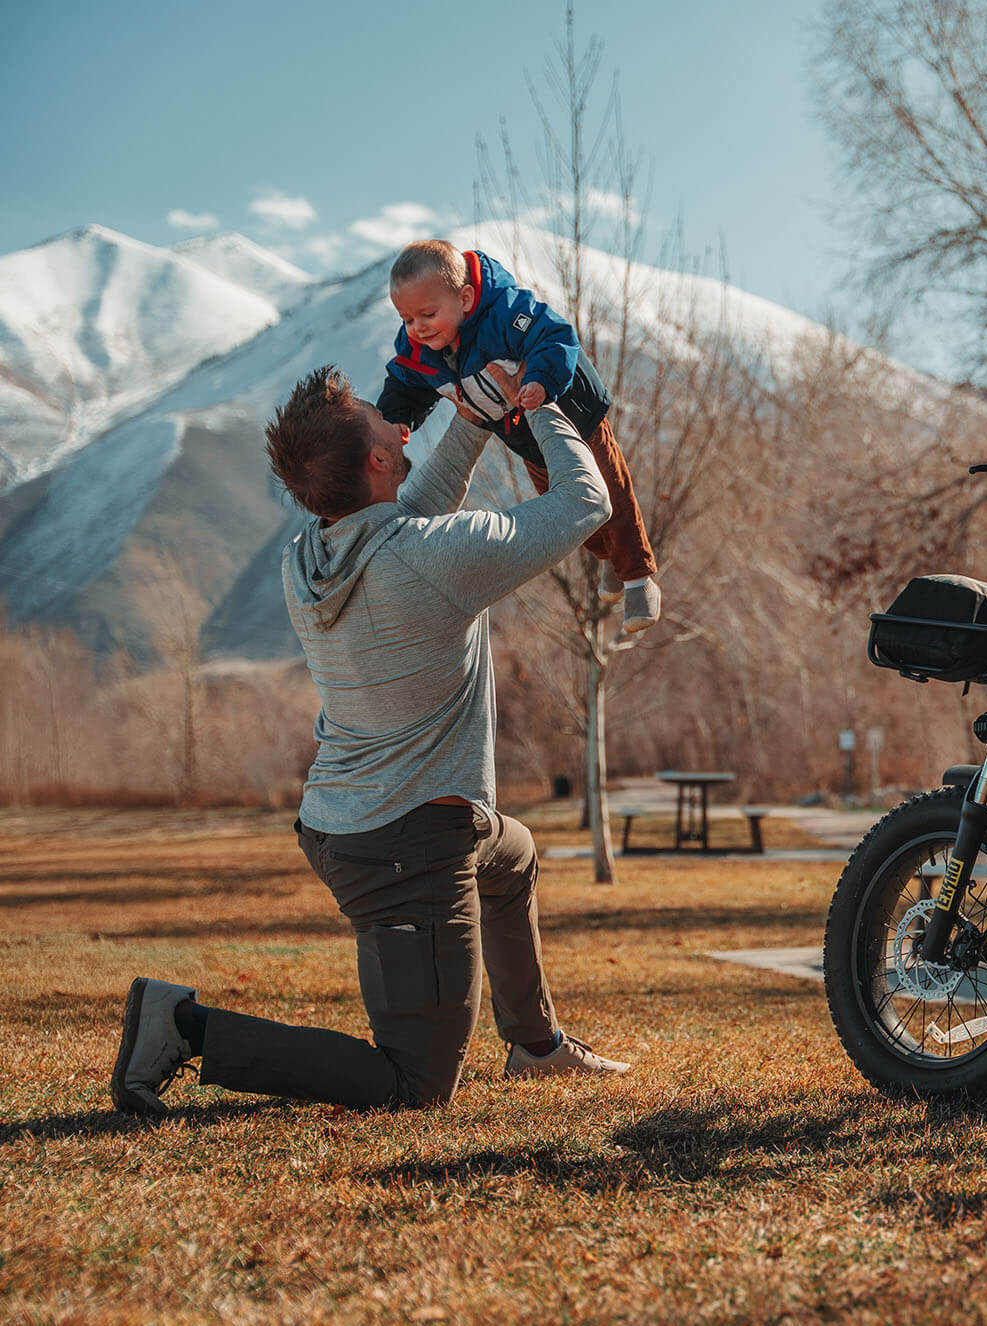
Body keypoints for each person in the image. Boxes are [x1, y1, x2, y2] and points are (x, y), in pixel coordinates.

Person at [110, 364, 630, 1115]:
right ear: (379, 460)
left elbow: (402, 522)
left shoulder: (309, 559)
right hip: (406, 846)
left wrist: (474, 422)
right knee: (415, 1084)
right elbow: (586, 503)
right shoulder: (431, 557)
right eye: (387, 425)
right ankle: (184, 1026)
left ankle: (536, 1044)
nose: (401, 425)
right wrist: (541, 401)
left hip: (345, 821)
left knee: (511, 856)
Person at [376, 239, 661, 641]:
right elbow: (404, 384)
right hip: (524, 435)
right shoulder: (419, 348)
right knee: (566, 511)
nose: (417, 328)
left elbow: (555, 336)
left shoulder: (507, 313)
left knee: (609, 490)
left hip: (572, 414)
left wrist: (540, 381)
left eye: (427, 314)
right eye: (406, 319)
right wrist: (393, 421)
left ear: (465, 298)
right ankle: (611, 558)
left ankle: (638, 580)